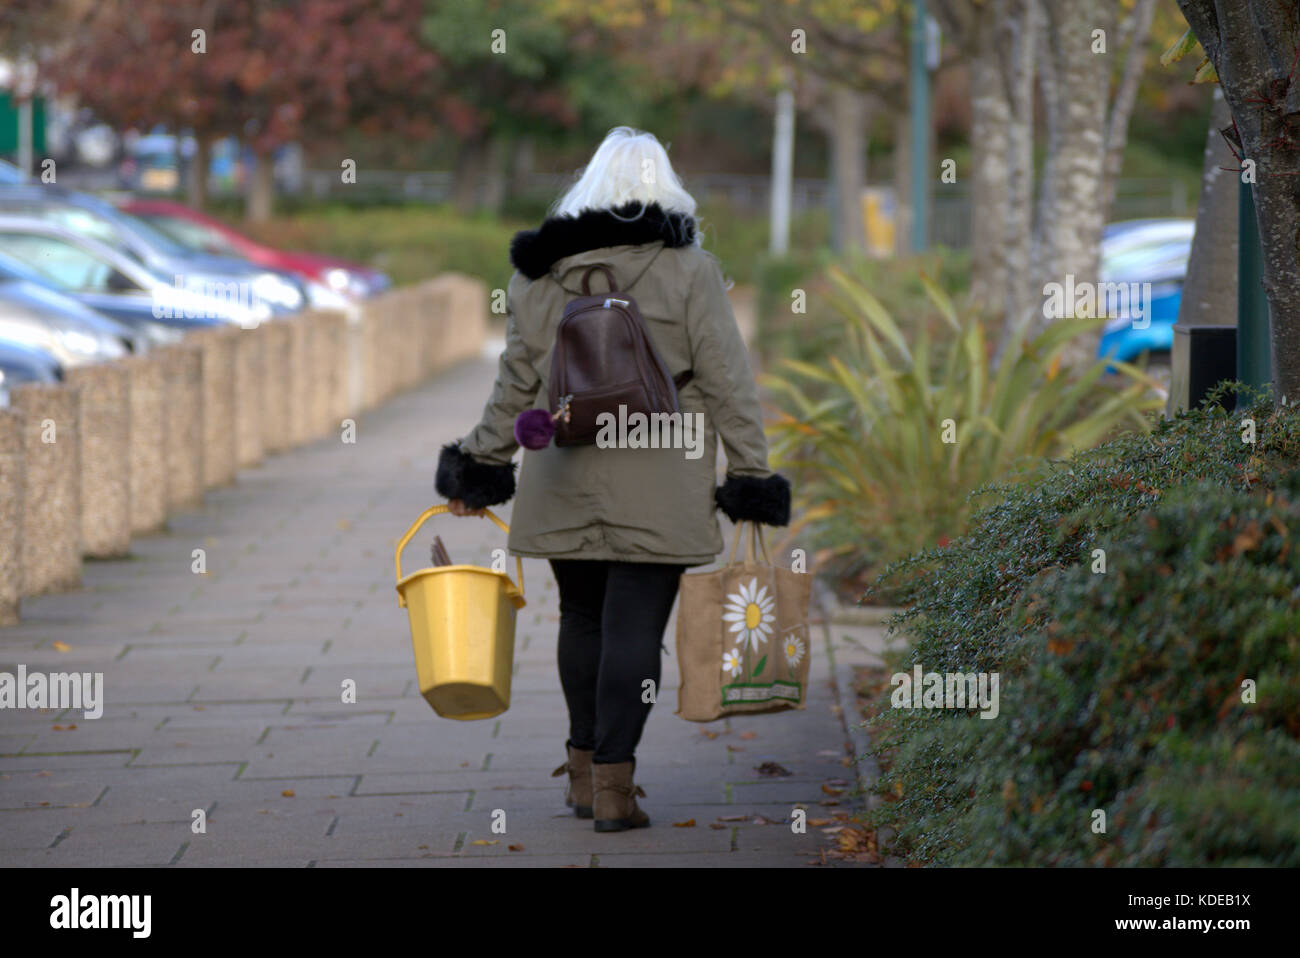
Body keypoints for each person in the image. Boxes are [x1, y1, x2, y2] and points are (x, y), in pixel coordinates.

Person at [436, 126, 789, 832]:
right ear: (667, 189)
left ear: (587, 188)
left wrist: (478, 466)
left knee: (582, 618)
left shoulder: (538, 276)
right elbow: (726, 381)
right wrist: (751, 474)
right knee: (635, 628)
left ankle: (580, 774)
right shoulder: (690, 270)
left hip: (563, 467)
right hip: (662, 467)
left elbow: (514, 386)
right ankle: (614, 792)